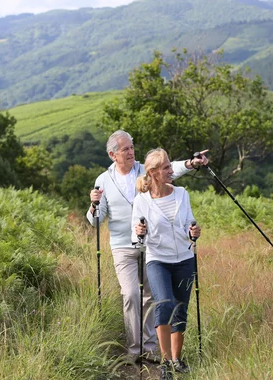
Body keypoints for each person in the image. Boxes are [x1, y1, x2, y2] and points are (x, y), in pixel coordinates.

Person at [86, 130, 208, 363]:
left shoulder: (145, 169)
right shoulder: (103, 180)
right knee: (131, 294)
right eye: (125, 149)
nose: (131, 152)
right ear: (113, 154)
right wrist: (94, 205)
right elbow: (96, 220)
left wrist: (192, 163)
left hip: (152, 246)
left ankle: (151, 348)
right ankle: (135, 349)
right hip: (123, 246)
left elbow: (170, 168)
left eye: (132, 147)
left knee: (152, 296)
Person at [132, 148, 201, 379]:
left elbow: (189, 224)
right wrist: (139, 232)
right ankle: (164, 362)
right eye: (167, 168)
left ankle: (176, 359)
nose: (172, 171)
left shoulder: (182, 194)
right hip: (158, 259)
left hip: (184, 258)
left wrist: (194, 231)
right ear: (153, 173)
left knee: (180, 308)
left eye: (170, 166)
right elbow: (136, 238)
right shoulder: (141, 201)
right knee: (164, 303)